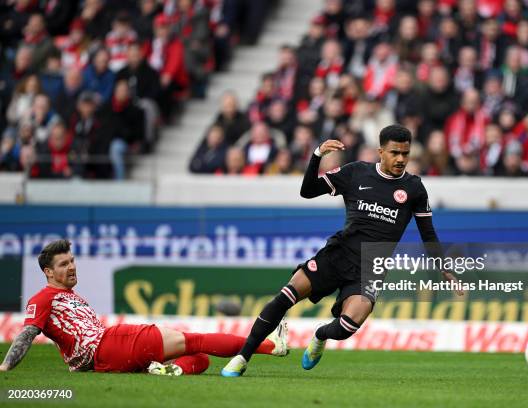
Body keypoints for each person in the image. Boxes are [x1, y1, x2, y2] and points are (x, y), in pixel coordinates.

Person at [221, 124, 461, 377]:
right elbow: (307, 191)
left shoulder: (414, 188)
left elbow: (428, 232)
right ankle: (242, 357)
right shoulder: (356, 172)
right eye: (394, 153)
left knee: (347, 326)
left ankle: (320, 335)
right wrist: (317, 156)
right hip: (338, 254)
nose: (401, 159)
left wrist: (443, 267)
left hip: (370, 267)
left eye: (405, 153)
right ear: (381, 151)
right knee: (286, 295)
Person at [0, 240, 287, 375]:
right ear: (48, 272)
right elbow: (28, 333)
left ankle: (165, 370)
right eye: (64, 264)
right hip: (111, 344)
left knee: (201, 357)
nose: (72, 266)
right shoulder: (42, 298)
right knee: (195, 339)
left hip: (105, 360)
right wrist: (5, 366)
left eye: (72, 260)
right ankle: (269, 346)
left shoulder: (70, 296)